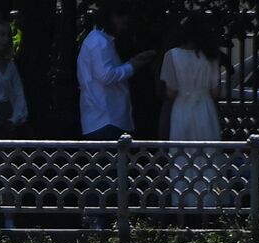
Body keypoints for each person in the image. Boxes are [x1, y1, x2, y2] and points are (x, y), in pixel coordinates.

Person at [159, 14, 223, 210]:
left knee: (181, 159)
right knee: (208, 159)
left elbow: (170, 91)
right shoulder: (212, 56)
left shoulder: (172, 55)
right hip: (205, 108)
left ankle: (182, 209)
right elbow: (215, 91)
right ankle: (209, 209)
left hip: (182, 108)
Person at [77, 0, 156, 139]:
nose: (123, 27)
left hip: (105, 119)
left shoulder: (101, 41)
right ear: (113, 18)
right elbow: (106, 76)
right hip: (105, 119)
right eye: (122, 22)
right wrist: (133, 65)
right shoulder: (99, 42)